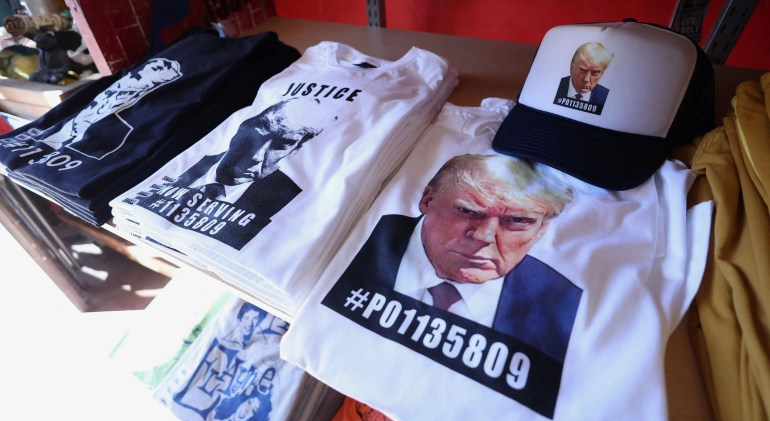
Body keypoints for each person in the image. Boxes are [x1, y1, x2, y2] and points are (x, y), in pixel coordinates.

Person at [333, 154, 582, 362]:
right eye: (468, 211)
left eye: (518, 220)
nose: (484, 236)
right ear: (427, 200)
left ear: (541, 230)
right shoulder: (356, 238)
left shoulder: (562, 306)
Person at [172, 97, 337, 207]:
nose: (257, 156)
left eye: (283, 144)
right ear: (245, 125)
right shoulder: (186, 160)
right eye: (260, 132)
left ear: (295, 150)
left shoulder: (289, 204)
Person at [41, 57, 182, 159]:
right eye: (151, 66)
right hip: (78, 127)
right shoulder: (125, 81)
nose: (147, 70)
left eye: (156, 69)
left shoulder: (145, 100)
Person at [554, 42, 614, 107]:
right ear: (571, 67)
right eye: (582, 70)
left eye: (595, 73)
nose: (586, 79)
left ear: (602, 73)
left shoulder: (606, 98)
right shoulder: (554, 86)